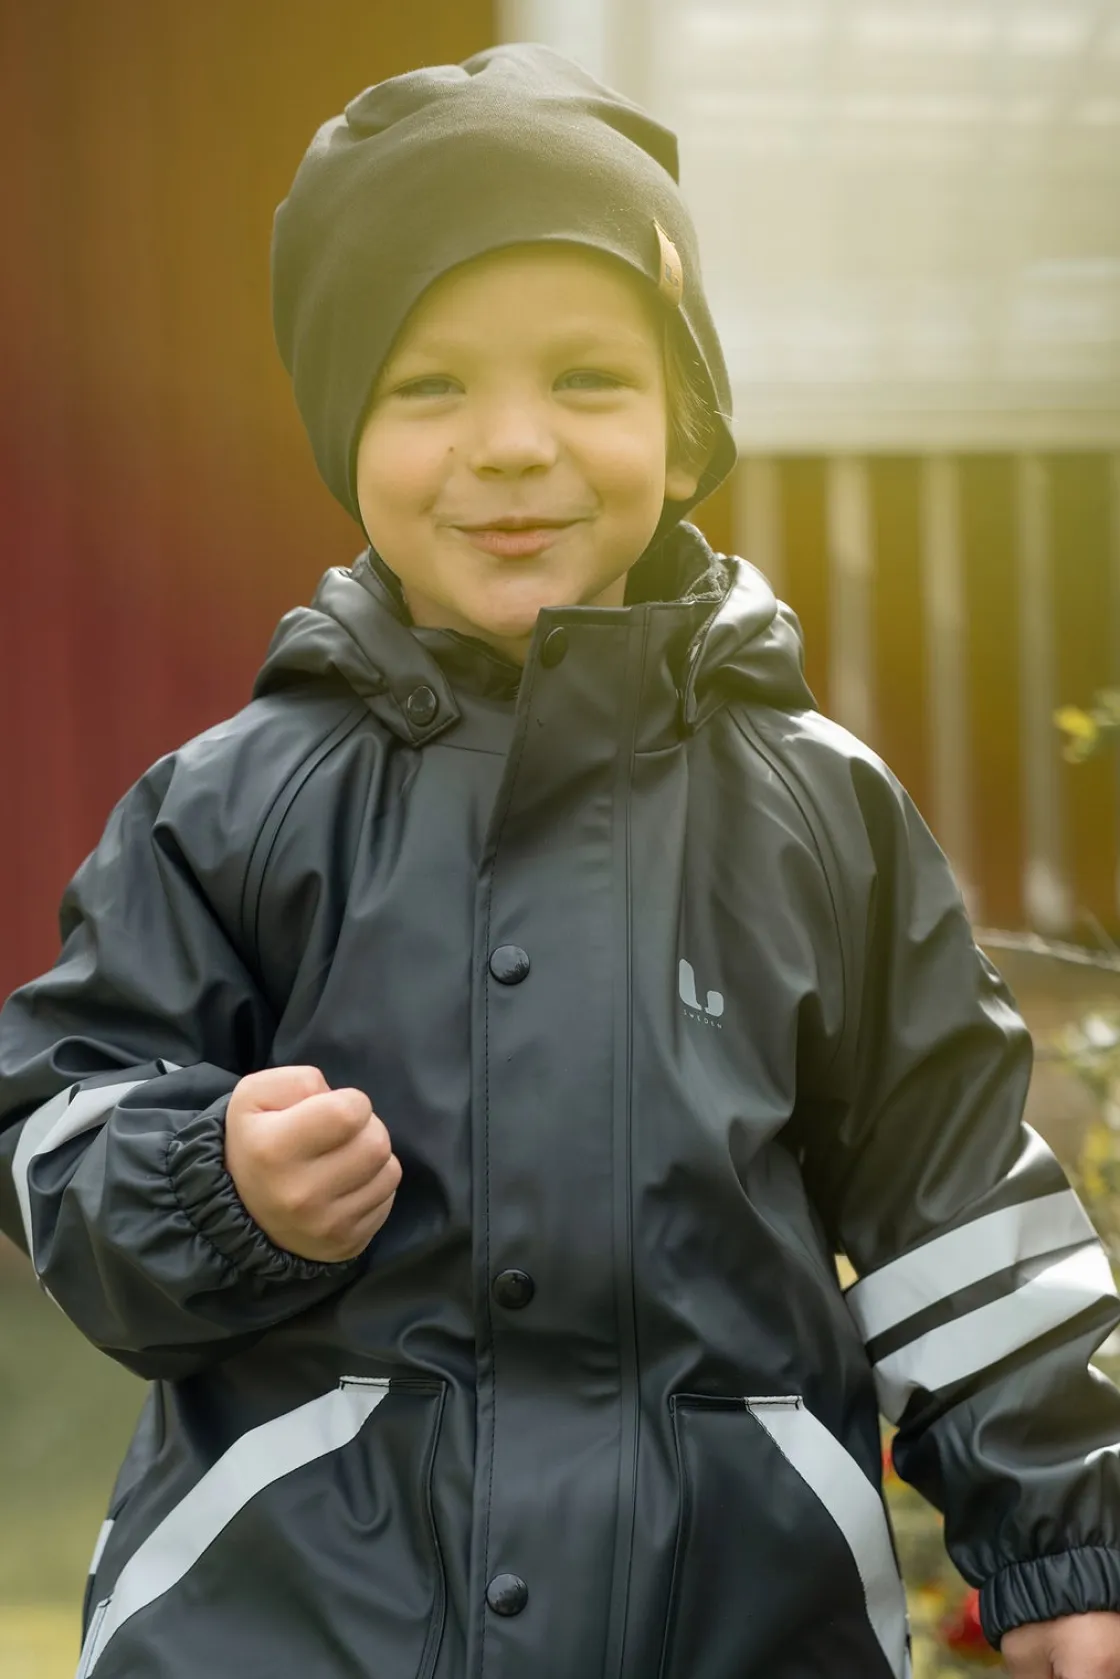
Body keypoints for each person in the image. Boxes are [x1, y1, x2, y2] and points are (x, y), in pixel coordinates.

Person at [0, 43, 1117, 1679]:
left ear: (686, 424)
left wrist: (1066, 1538)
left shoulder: (819, 815)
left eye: (588, 378)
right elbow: (56, 1119)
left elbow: (961, 1205)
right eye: (430, 386)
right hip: (293, 1627)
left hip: (738, 1623)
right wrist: (211, 1182)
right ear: (346, 431)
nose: (512, 442)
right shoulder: (233, 806)